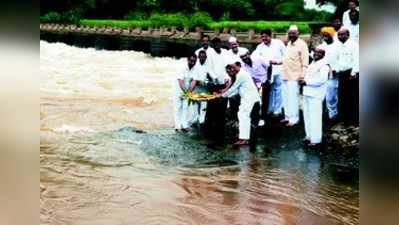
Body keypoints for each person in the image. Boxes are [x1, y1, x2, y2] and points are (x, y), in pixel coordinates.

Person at [216, 62, 261, 146]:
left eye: (234, 67)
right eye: (231, 68)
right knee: (242, 115)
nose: (232, 69)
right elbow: (236, 91)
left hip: (249, 98)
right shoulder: (239, 75)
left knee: (243, 116)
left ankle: (245, 139)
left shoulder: (241, 75)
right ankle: (243, 138)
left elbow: (233, 88)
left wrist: (222, 95)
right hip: (247, 98)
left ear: (238, 66)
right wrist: (224, 96)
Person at [299, 46, 330, 147]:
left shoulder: (325, 65)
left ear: (323, 54)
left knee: (315, 117)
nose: (316, 54)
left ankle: (316, 140)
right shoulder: (313, 62)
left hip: (316, 94)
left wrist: (306, 82)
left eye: (319, 53)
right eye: (315, 52)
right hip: (307, 92)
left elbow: (321, 80)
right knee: (307, 116)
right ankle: (308, 136)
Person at [253, 29, 286, 117]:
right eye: (262, 37)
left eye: (266, 36)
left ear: (270, 36)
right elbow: (255, 57)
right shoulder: (260, 47)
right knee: (270, 91)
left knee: (278, 90)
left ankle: (278, 110)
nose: (264, 38)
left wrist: (279, 62)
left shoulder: (278, 43)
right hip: (267, 72)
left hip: (279, 69)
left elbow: (286, 55)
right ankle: (270, 108)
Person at [282, 25, 309, 126]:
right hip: (285, 74)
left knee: (293, 98)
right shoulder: (288, 43)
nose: (291, 34)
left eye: (294, 32)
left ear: (298, 33)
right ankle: (287, 117)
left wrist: (303, 76)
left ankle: (294, 119)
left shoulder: (302, 44)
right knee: (286, 97)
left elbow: (305, 62)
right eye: (290, 33)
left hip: (295, 75)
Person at [240, 50, 271, 126]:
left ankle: (263, 118)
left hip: (265, 80)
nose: (244, 58)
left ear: (248, 54)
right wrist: (256, 88)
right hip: (255, 83)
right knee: (256, 100)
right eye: (242, 57)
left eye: (245, 55)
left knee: (264, 101)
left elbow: (269, 65)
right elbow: (251, 78)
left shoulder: (258, 59)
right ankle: (255, 117)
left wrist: (269, 79)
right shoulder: (243, 66)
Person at [336, 27, 359, 125]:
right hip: (342, 74)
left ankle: (354, 119)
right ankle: (345, 119)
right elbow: (338, 60)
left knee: (352, 97)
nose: (340, 36)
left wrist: (353, 73)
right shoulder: (339, 46)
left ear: (348, 35)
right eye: (339, 35)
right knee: (343, 96)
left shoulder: (353, 45)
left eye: (342, 34)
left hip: (350, 74)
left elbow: (357, 59)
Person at [174, 54, 199, 132]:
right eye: (191, 61)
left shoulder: (195, 69)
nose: (192, 63)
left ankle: (184, 125)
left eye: (194, 61)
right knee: (178, 108)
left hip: (188, 90)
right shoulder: (181, 68)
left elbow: (194, 81)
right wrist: (186, 92)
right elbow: (180, 81)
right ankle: (177, 126)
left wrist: (189, 92)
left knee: (185, 108)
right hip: (178, 89)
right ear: (188, 60)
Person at [320, 27, 340, 122]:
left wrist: (336, 69)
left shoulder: (337, 46)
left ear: (331, 35)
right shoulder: (322, 46)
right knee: (323, 96)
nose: (325, 37)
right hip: (322, 75)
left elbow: (340, 60)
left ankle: (333, 114)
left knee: (331, 96)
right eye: (324, 35)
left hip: (333, 75)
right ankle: (326, 114)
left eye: (327, 35)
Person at [191, 50, 214, 125]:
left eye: (204, 57)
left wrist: (210, 80)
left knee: (203, 108)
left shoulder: (208, 66)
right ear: (198, 57)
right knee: (195, 109)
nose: (202, 58)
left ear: (206, 57)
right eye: (201, 57)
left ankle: (202, 123)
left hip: (204, 90)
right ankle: (195, 122)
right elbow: (194, 80)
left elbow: (213, 77)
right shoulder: (195, 66)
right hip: (195, 89)